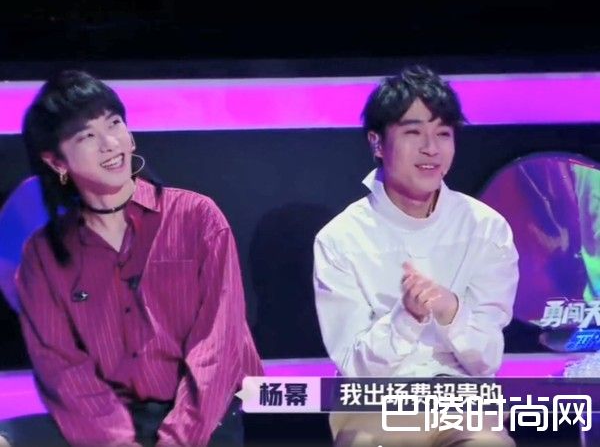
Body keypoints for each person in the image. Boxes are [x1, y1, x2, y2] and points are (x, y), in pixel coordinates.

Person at [0, 70, 262, 447]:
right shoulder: (42, 257)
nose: (110, 143)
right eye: (87, 136)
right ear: (57, 162)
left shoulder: (197, 217)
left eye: (114, 124)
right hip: (108, 423)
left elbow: (219, 346)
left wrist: (178, 440)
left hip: (207, 415)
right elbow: (64, 371)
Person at [313, 65, 519, 446]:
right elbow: (355, 369)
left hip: (463, 403)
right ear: (377, 143)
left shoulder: (487, 228)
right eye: (413, 133)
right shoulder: (339, 238)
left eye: (443, 134)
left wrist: (451, 311)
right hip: (375, 407)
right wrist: (406, 318)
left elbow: (487, 359)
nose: (431, 148)